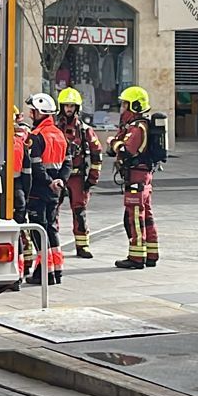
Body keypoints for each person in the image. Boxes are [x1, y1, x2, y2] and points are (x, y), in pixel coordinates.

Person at [20, 93, 67, 285]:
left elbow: (36, 166)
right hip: (55, 191)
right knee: (51, 229)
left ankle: (44, 273)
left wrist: (48, 181)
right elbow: (68, 163)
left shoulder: (37, 136)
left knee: (39, 231)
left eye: (33, 111)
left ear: (40, 112)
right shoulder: (59, 134)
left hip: (39, 191)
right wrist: (60, 181)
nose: (31, 115)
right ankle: (57, 271)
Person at [110, 85, 159, 269]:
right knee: (147, 216)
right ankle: (151, 253)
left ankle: (137, 257)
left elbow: (126, 150)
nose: (123, 108)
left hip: (136, 177)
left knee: (135, 217)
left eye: (125, 105)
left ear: (135, 106)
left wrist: (114, 143)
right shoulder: (139, 125)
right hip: (143, 176)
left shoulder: (137, 127)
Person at [55, 87, 102, 259]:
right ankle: (54, 245)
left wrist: (92, 178)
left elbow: (97, 152)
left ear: (77, 108)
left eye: (72, 106)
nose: (69, 109)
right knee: (53, 211)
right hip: (58, 175)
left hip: (77, 177)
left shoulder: (84, 129)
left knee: (79, 211)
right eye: (66, 105)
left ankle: (82, 246)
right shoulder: (54, 128)